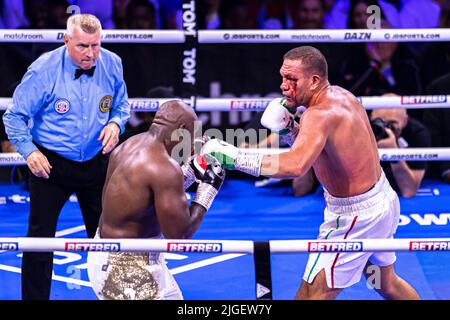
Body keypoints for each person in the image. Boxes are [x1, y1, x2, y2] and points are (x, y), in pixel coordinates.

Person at [201, 46, 420, 300]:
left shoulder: (318, 115)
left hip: (355, 217)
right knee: (385, 282)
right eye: (282, 77)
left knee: (310, 295)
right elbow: (325, 152)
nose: (284, 86)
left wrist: (233, 157)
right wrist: (289, 129)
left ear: (314, 80)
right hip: (381, 200)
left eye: (292, 79)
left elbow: (296, 166)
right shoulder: (340, 96)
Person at [2, 14, 130, 300]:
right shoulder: (43, 70)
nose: (90, 54)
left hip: (97, 162)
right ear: (66, 40)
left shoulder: (112, 63)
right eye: (83, 46)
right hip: (51, 165)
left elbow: (121, 105)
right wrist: (30, 151)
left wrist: (115, 123)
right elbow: (14, 117)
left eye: (95, 45)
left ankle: (117, 297)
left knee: (108, 240)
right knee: (39, 241)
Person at [87, 100, 226, 300]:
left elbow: (143, 198)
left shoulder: (127, 146)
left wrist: (186, 174)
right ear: (181, 130)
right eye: (194, 136)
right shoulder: (164, 168)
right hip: (126, 270)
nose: (194, 145)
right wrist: (208, 189)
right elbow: (179, 237)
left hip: (109, 253)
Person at [370, 95, 431, 198]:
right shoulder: (359, 129)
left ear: (405, 121)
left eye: (392, 124)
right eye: (379, 122)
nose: (385, 129)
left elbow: (408, 191)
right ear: (371, 117)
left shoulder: (417, 134)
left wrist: (394, 153)